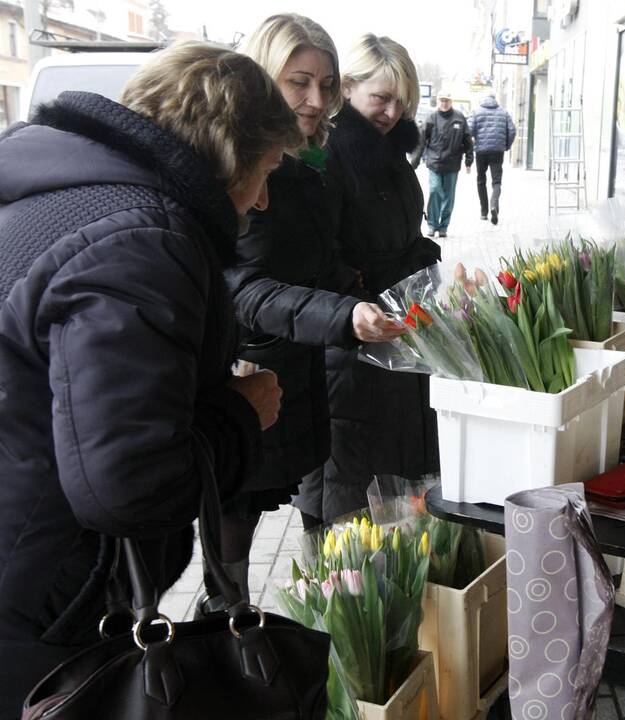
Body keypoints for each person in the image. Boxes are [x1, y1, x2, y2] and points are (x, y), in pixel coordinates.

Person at [0, 42, 299, 717]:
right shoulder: (140, 242)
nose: (264, 198)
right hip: (40, 600)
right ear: (231, 153)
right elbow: (130, 484)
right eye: (269, 169)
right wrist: (240, 415)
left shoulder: (60, 197)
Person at [219, 15, 406, 606]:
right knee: (238, 509)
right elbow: (244, 290)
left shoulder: (307, 160)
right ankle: (227, 622)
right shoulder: (240, 162)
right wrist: (343, 313)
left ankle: (320, 611)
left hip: (304, 364)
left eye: (326, 84)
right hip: (251, 369)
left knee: (306, 499)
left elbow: (318, 261)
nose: (316, 99)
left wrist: (365, 291)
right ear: (260, 76)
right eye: (299, 81)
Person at [295, 34, 441, 525]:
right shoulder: (331, 153)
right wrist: (359, 291)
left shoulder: (392, 155)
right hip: (352, 335)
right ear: (350, 87)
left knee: (393, 472)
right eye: (381, 97)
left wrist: (431, 272)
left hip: (395, 328)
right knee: (348, 484)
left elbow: (408, 233)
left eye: (402, 100)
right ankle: (340, 583)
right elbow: (316, 249)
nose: (392, 111)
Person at [418, 89, 473, 238]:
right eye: (442, 100)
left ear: (451, 102)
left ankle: (443, 227)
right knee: (435, 190)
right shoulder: (431, 118)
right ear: (438, 102)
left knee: (449, 196)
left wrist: (469, 160)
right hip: (434, 163)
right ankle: (432, 224)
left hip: (452, 164)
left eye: (447, 100)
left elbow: (467, 140)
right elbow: (422, 141)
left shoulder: (459, 118)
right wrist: (415, 161)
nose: (444, 103)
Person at [468, 93, 516, 225]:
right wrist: (506, 145)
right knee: (496, 181)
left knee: (481, 180)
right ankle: (494, 205)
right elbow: (512, 130)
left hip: (481, 151)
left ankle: (484, 212)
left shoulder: (476, 112)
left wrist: (473, 144)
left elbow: (469, 130)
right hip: (497, 151)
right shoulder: (504, 113)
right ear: (495, 99)